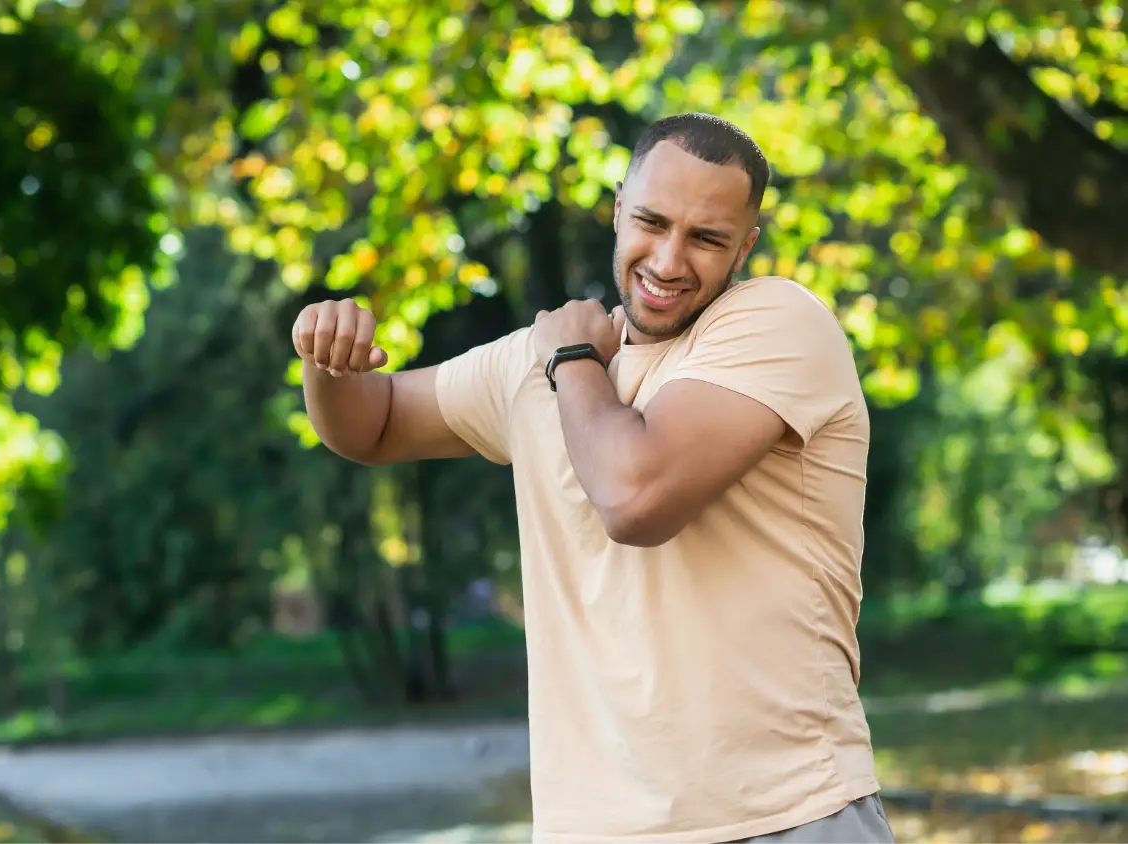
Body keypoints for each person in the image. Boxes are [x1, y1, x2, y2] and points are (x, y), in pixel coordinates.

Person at [291, 112, 892, 844]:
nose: (669, 260)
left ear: (745, 245)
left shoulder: (775, 325)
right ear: (616, 210)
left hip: (786, 817)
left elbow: (634, 498)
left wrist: (573, 359)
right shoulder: (536, 362)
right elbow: (373, 425)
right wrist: (328, 362)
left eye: (705, 238)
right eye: (651, 222)